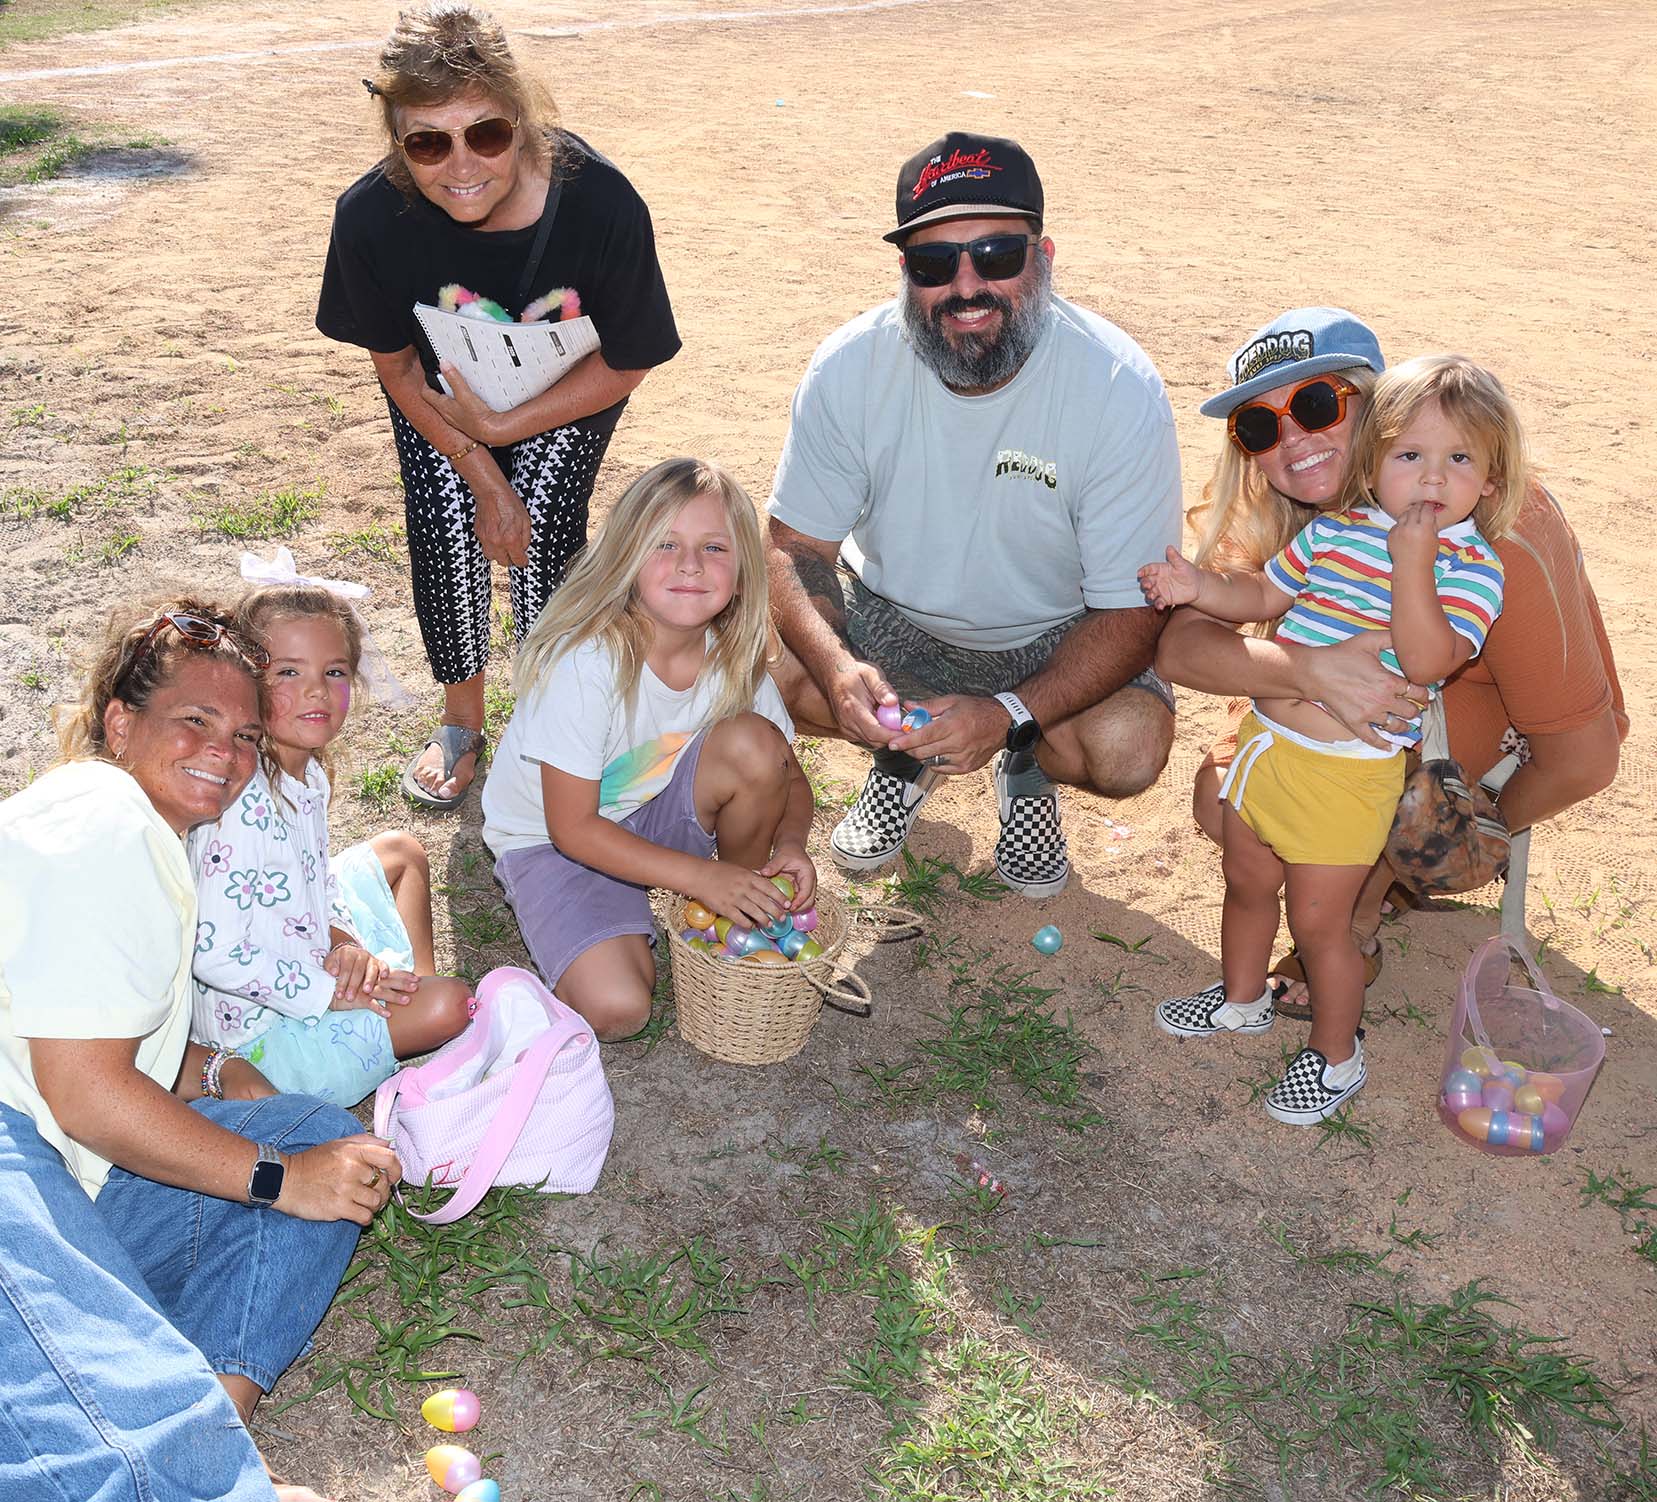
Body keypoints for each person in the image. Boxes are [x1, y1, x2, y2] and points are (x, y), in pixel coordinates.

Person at [0, 598, 400, 1502]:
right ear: (120, 723)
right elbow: (86, 1094)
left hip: (71, 1172)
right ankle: (197, 1474)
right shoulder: (108, 825)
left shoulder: (151, 837)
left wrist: (215, 1071)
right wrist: (275, 1178)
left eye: (245, 734)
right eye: (195, 720)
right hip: (17, 1157)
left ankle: (210, 1416)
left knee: (326, 1143)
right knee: (295, 1169)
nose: (225, 751)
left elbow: (93, 1028)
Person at [1156, 306, 1626, 1013]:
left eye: (1317, 406)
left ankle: (1363, 909)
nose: (1293, 440)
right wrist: (1307, 670)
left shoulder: (1495, 528)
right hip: (1319, 706)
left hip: (1460, 715)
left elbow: (1583, 756)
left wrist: (1433, 846)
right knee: (1223, 804)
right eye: (1258, 426)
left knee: (1365, 826)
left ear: (1380, 409)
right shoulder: (1280, 506)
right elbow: (1180, 646)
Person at [765, 130, 1181, 897]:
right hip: (894, 618)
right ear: (905, 273)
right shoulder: (849, 366)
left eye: (996, 255)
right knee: (770, 665)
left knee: (1126, 747)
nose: (966, 286)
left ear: (1043, 259)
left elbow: (1131, 611)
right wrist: (838, 669)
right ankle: (903, 755)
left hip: (1059, 632)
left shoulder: (1116, 387)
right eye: (934, 263)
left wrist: (1009, 712)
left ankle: (1025, 763)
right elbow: (793, 548)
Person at [316, 0, 680, 810]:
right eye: (427, 142)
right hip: (442, 396)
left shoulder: (600, 203)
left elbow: (631, 355)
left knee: (542, 526)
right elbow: (396, 364)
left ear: (522, 119)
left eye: (485, 133)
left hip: (566, 388)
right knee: (445, 524)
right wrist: (481, 470)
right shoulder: (370, 216)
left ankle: (551, 718)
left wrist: (508, 430)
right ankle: (461, 720)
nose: (460, 165)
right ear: (397, 141)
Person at [1141, 356, 1522, 1123]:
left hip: (1346, 777)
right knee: (1246, 883)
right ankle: (1241, 998)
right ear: (1372, 463)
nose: (1430, 477)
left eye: (1458, 459)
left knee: (1319, 928)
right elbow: (1263, 592)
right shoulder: (1335, 530)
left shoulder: (1472, 567)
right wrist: (1199, 588)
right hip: (1267, 748)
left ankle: (1335, 1055)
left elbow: (1428, 660)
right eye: (1409, 455)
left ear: (1489, 481)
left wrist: (1411, 564)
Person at [482, 458, 817, 1040]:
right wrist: (698, 875)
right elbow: (573, 829)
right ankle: (706, 888)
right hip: (556, 841)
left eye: (715, 547)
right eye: (665, 543)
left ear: (743, 573)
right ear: (626, 556)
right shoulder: (587, 660)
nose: (690, 564)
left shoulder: (732, 656)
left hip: (653, 807)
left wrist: (790, 845)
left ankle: (733, 905)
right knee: (618, 1009)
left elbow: (788, 777)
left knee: (754, 747)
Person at [190, 585, 474, 1107]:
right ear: (245, 682)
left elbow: (317, 879)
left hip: (304, 944)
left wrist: (343, 943)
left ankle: (408, 994)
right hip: (261, 1035)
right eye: (289, 672)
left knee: (401, 852)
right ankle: (411, 1014)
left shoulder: (308, 775)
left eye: (334, 672)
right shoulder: (239, 805)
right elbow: (213, 954)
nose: (317, 691)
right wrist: (329, 995)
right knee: (452, 1005)